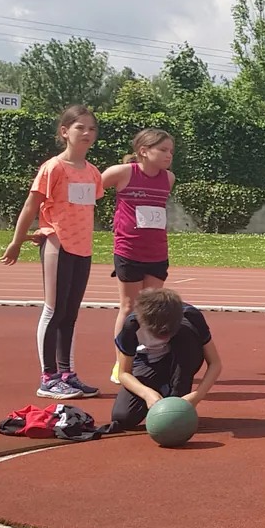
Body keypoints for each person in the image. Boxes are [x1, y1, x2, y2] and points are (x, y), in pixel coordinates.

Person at [2, 104, 103, 401]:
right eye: (80, 127)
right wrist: (17, 241)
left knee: (70, 313)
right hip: (58, 243)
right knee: (54, 310)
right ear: (64, 132)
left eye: (92, 128)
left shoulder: (93, 173)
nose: (87, 133)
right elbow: (31, 206)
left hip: (83, 247)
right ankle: (48, 378)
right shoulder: (53, 168)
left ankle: (67, 374)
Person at [100, 127, 176, 386]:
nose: (169, 155)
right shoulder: (122, 173)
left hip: (157, 252)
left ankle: (150, 359)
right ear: (143, 151)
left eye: (171, 151)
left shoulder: (168, 178)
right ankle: (121, 362)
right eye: (163, 150)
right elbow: (91, 191)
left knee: (152, 310)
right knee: (129, 307)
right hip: (129, 250)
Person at [110, 287, 222, 432]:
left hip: (181, 357)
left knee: (187, 333)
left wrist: (196, 396)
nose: (163, 338)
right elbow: (123, 373)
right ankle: (162, 388)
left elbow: (215, 363)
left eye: (168, 333)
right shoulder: (132, 324)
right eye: (158, 334)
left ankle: (177, 393)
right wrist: (146, 393)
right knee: (123, 417)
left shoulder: (191, 316)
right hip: (149, 363)